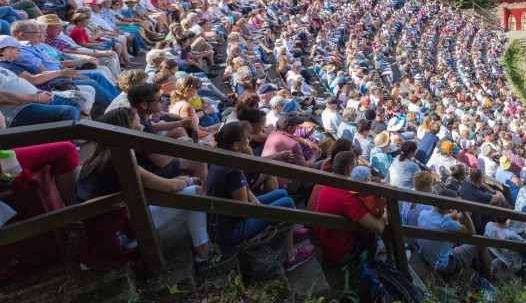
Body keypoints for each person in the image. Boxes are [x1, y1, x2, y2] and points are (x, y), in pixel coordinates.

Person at [75, 107, 218, 264]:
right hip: (120, 238)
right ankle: (204, 255)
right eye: (138, 123)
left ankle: (204, 250)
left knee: (191, 187)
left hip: (105, 232)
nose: (143, 127)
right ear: (126, 131)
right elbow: (169, 187)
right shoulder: (122, 162)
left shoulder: (93, 162)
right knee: (196, 192)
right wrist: (186, 181)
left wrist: (186, 181)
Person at [205, 121, 315, 271]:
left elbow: (245, 190)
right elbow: (244, 210)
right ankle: (291, 257)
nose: (250, 139)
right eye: (246, 138)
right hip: (232, 231)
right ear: (236, 145)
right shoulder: (233, 169)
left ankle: (287, 230)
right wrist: (265, 212)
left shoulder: (223, 156)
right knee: (287, 203)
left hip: (226, 219)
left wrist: (261, 206)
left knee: (282, 194)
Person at [314, 151, 389, 264]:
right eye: (356, 165)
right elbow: (379, 228)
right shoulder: (348, 198)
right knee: (377, 225)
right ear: (349, 171)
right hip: (339, 252)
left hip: (324, 240)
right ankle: (377, 252)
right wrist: (386, 209)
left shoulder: (332, 182)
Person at [416, 188, 491, 279]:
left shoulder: (423, 213)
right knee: (481, 242)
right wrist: (463, 210)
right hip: (443, 266)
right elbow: (471, 231)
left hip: (425, 256)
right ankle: (489, 277)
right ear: (449, 207)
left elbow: (441, 219)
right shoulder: (445, 223)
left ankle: (476, 265)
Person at [458, 168, 509, 237]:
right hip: (472, 223)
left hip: (464, 214)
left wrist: (492, 191)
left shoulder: (466, 183)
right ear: (480, 179)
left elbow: (481, 184)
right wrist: (495, 192)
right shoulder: (480, 196)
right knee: (497, 203)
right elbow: (500, 197)